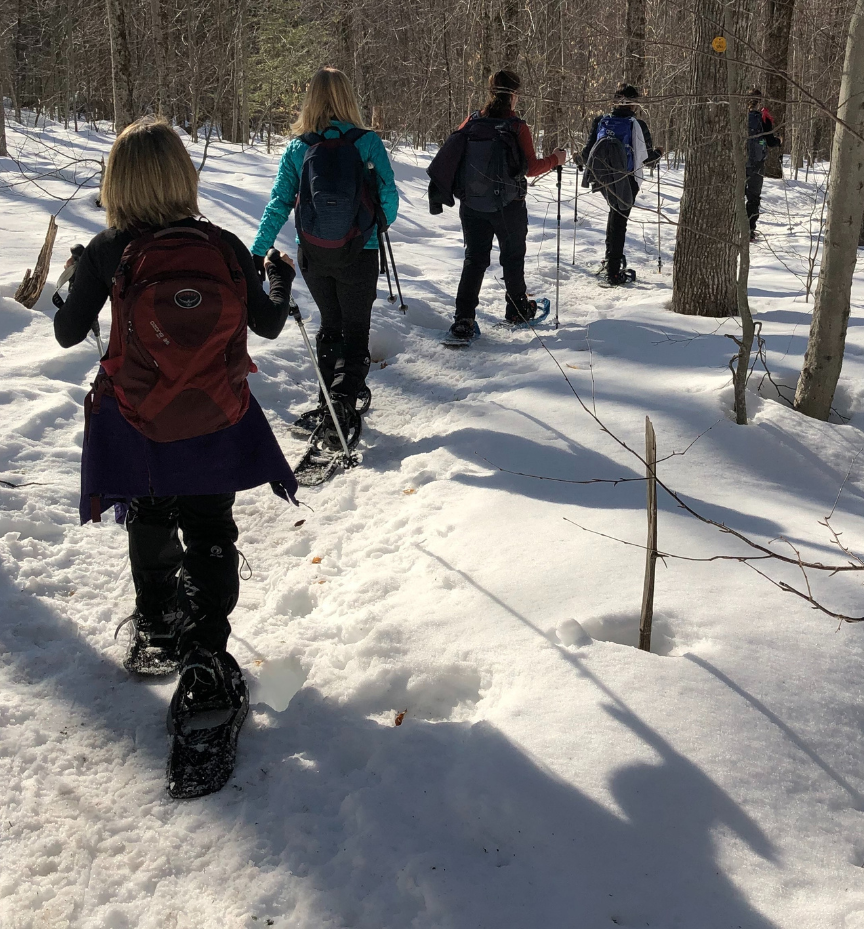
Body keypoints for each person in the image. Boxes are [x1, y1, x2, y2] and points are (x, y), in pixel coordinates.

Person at [53, 116, 298, 797]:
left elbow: (68, 332)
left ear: (118, 183)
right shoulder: (220, 244)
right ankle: (207, 657)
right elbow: (268, 325)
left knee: (151, 510)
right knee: (211, 524)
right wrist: (279, 282)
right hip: (215, 414)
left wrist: (72, 281)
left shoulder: (109, 249)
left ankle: (158, 621)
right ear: (183, 177)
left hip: (137, 418)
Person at [252, 67, 399, 445]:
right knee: (356, 332)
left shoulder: (299, 147)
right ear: (348, 97)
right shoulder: (367, 143)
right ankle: (342, 404)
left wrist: (257, 251)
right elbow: (390, 199)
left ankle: (326, 402)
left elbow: (279, 202)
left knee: (330, 326)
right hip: (359, 252)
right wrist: (369, 228)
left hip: (314, 254)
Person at [427, 69, 565, 340]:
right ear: (514, 95)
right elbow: (531, 167)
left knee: (474, 260)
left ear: (491, 93)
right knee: (512, 258)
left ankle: (464, 319)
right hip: (509, 205)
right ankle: (517, 310)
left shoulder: (471, 122)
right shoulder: (516, 126)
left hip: (473, 206)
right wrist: (556, 159)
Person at [577, 84, 661, 286]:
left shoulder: (601, 121)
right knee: (618, 220)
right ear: (634, 104)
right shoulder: (637, 124)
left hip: (603, 177)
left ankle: (611, 260)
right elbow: (648, 159)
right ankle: (613, 271)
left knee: (614, 215)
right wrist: (659, 153)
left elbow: (588, 153)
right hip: (627, 178)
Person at [745, 86, 781, 241]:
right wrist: (779, 141)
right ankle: (750, 229)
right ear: (759, 101)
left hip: (739, 162)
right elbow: (771, 142)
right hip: (757, 162)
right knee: (753, 196)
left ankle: (735, 227)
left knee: (737, 194)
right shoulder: (763, 117)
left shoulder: (737, 116)